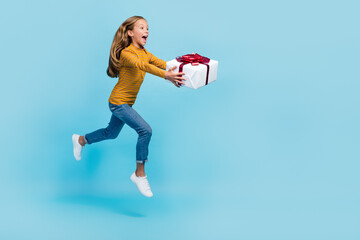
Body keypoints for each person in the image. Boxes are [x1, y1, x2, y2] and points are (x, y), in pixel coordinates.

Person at [72, 16, 185, 197]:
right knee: (145, 131)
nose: (146, 31)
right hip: (118, 103)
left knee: (111, 133)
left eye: (147, 28)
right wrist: (166, 76)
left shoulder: (145, 52)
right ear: (130, 33)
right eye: (141, 27)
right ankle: (139, 174)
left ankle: (80, 140)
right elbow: (144, 66)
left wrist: (182, 70)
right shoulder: (127, 54)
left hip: (124, 103)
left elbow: (162, 63)